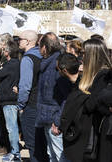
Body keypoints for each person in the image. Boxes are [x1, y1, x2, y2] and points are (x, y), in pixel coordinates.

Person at [37, 32, 69, 161]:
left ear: (45, 47)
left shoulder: (58, 64)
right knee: (52, 155)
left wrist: (57, 120)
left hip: (54, 119)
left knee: (59, 155)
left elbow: (67, 96)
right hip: (47, 116)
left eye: (39, 46)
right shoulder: (48, 63)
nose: (38, 50)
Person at [17, 30, 48, 162]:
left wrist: (20, 105)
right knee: (43, 146)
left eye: (20, 39)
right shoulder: (43, 57)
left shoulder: (27, 59)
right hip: (44, 104)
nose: (18, 41)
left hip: (31, 106)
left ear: (28, 41)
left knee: (33, 146)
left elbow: (25, 86)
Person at [0, 40, 21, 161]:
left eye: (4, 49)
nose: (3, 51)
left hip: (9, 101)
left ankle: (15, 153)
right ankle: (14, 151)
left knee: (11, 128)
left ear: (8, 52)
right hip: (10, 99)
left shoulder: (11, 64)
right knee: (12, 127)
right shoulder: (16, 63)